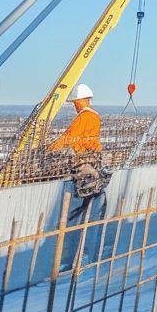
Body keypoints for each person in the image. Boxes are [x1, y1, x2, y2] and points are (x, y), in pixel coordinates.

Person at [46, 84, 107, 272]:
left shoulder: (84, 117)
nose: (75, 105)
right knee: (91, 210)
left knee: (74, 214)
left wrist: (47, 150)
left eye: (75, 102)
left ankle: (71, 259)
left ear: (83, 100)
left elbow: (68, 138)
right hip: (92, 165)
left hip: (82, 167)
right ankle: (85, 256)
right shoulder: (95, 117)